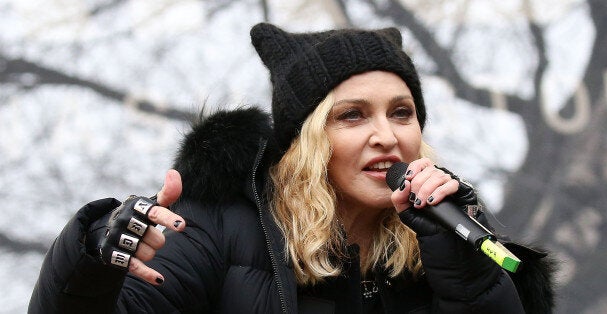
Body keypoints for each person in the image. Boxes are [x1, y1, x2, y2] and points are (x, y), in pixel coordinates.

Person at [29, 23, 555, 313]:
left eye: (402, 113)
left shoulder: (449, 239)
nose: (387, 135)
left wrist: (468, 278)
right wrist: (92, 258)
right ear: (305, 143)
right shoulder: (217, 225)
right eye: (352, 116)